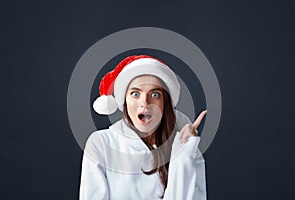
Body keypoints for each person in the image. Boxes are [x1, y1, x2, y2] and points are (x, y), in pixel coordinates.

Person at [79, 55, 207, 200]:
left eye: (155, 94)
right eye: (135, 94)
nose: (145, 102)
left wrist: (183, 155)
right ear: (125, 101)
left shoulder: (185, 146)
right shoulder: (101, 144)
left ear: (165, 103)